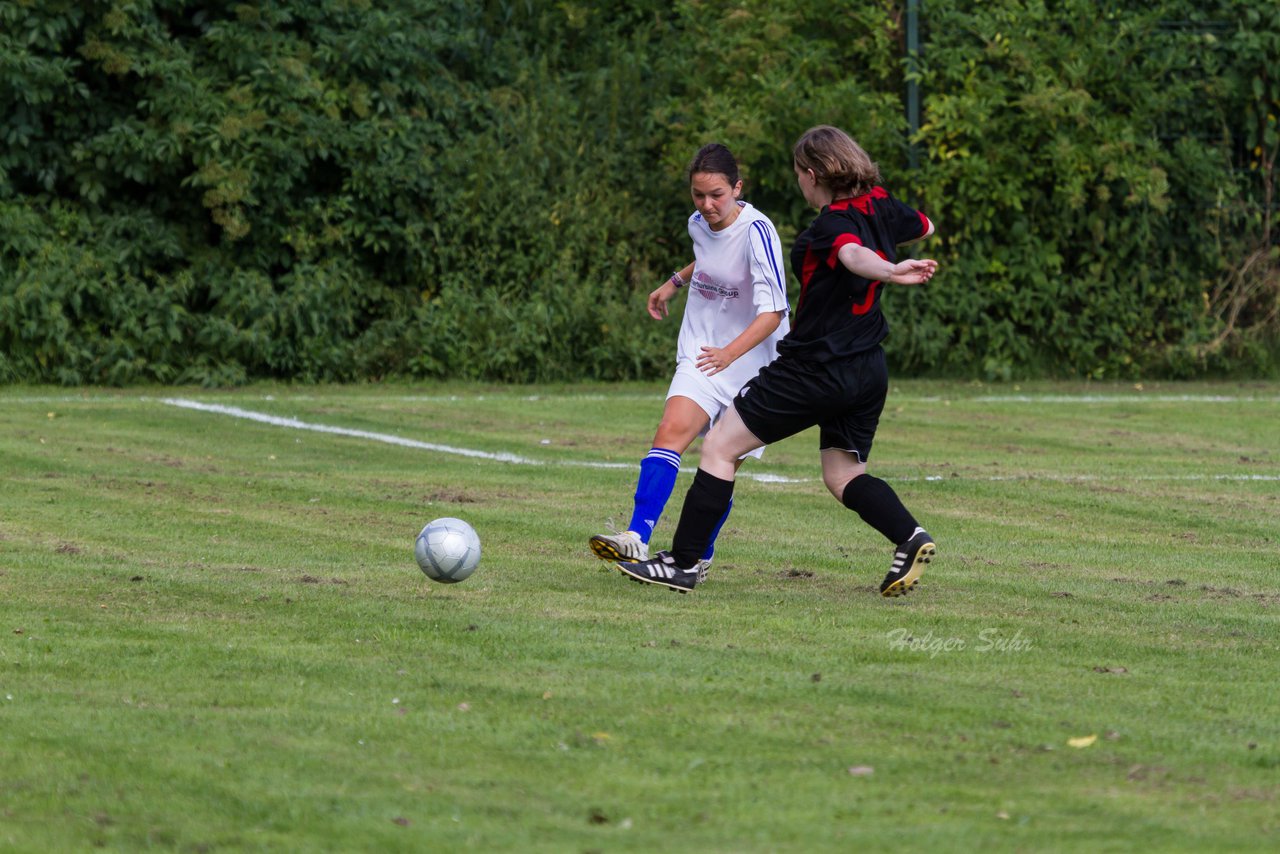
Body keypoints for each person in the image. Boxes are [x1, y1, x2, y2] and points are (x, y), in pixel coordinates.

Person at [615, 125, 938, 596]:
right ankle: (910, 537)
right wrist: (890, 248)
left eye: (798, 175)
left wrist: (887, 268)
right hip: (868, 369)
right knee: (843, 474)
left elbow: (851, 255)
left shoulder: (829, 227)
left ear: (811, 175)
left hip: (814, 369)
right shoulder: (882, 204)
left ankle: (683, 563)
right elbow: (923, 226)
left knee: (721, 445)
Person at [589, 143, 790, 580]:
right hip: (702, 351)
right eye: (698, 195)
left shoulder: (759, 231)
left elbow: (774, 311)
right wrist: (673, 282)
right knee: (670, 432)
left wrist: (730, 353)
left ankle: (698, 554)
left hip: (753, 362)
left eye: (717, 194)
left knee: (721, 463)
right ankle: (636, 536)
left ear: (737, 187)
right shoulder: (698, 223)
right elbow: (709, 257)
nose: (707, 204)